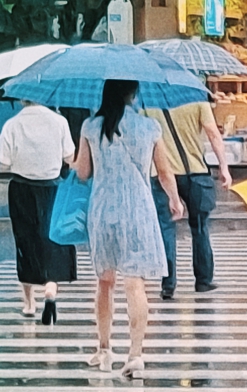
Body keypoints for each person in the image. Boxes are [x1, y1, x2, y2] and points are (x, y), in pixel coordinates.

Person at [72, 80, 183, 376]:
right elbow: (163, 171)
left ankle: (104, 348)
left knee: (105, 282)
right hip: (137, 210)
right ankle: (135, 354)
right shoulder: (150, 128)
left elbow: (83, 173)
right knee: (134, 284)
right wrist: (174, 200)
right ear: (133, 94)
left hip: (103, 209)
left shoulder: (90, 127)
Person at [143, 102, 232, 300]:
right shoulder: (196, 99)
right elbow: (212, 133)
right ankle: (203, 280)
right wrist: (224, 167)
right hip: (195, 173)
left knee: (166, 229)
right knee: (200, 227)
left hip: (160, 174)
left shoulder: (148, 102)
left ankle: (168, 284)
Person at [0, 100, 77, 324]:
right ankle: (50, 292)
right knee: (53, 240)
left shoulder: (13, 124)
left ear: (23, 99)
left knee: (26, 241)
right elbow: (70, 158)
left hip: (22, 189)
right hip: (52, 188)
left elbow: (2, 162)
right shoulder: (59, 121)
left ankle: (28, 302)